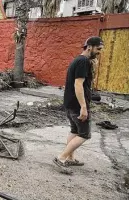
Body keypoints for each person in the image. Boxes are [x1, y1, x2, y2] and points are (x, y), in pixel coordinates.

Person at [53, 36, 104, 170]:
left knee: (74, 130)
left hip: (69, 102)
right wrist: (83, 107)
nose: (99, 52)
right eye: (98, 49)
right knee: (84, 134)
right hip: (77, 104)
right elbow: (78, 84)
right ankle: (61, 157)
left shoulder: (77, 60)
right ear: (89, 47)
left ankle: (70, 158)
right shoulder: (83, 62)